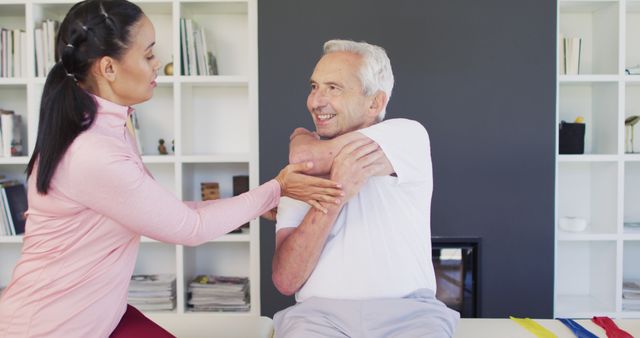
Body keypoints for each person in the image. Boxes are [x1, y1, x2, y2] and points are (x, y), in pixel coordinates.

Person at [0, 1, 342, 337]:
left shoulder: (111, 127)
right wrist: (277, 188)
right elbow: (189, 228)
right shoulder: (93, 151)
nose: (157, 64)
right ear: (108, 68)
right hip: (51, 326)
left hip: (100, 315)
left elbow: (173, 213)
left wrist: (260, 203)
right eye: (148, 54)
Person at [271, 39, 460, 337]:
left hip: (410, 316)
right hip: (318, 318)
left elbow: (306, 155)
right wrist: (335, 197)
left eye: (334, 88)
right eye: (314, 86)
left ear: (376, 102)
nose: (315, 101)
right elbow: (285, 280)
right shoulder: (297, 176)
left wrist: (298, 137)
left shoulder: (406, 136)